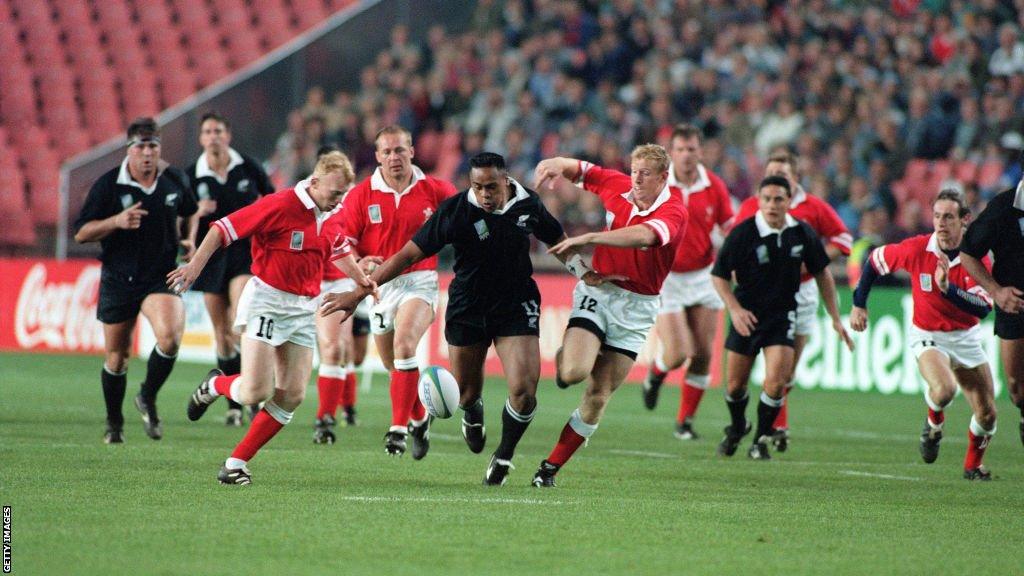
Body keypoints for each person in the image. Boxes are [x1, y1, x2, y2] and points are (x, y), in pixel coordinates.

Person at [323, 152, 611, 484]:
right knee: (465, 392)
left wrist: (583, 272)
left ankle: (503, 456)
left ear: (506, 180)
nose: (485, 194)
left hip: (514, 304)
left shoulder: (528, 204)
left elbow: (557, 240)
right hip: (467, 307)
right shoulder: (456, 210)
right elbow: (408, 254)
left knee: (524, 391)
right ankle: (472, 412)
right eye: (478, 187)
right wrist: (359, 292)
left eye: (491, 186)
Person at [167, 151, 370, 485]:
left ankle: (235, 464)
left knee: (292, 394)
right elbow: (222, 229)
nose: (339, 201)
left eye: (343, 195)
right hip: (267, 302)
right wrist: (193, 268)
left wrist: (362, 280)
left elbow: (338, 249)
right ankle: (215, 384)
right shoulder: (280, 204)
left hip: (304, 307)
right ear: (315, 182)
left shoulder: (332, 212)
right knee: (253, 391)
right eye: (335, 194)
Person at [526, 145, 689, 487]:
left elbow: (645, 236)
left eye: (645, 174)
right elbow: (583, 171)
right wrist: (554, 164)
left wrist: (591, 237)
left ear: (663, 177)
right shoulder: (619, 186)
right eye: (634, 171)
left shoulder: (674, 211)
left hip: (638, 308)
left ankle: (549, 468)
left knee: (598, 396)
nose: (637, 179)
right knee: (573, 373)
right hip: (600, 292)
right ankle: (566, 356)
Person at [851, 190, 997, 480]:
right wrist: (858, 303)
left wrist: (948, 290)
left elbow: (983, 308)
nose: (941, 223)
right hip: (928, 334)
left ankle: (972, 467)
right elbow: (875, 261)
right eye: (937, 216)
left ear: (965, 220)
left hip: (966, 338)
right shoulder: (918, 248)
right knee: (944, 390)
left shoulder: (977, 257)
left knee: (988, 414)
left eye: (949, 217)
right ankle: (933, 423)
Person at [74, 117, 197, 444]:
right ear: (128, 150)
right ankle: (114, 423)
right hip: (119, 278)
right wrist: (116, 220)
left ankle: (147, 395)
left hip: (159, 275)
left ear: (159, 149)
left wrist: (187, 239)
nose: (147, 153)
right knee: (117, 357)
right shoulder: (108, 185)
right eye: (140, 146)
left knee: (170, 338)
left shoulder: (173, 179)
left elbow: (190, 210)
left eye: (152, 146)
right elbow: (82, 232)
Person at [712, 176, 852, 460]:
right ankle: (738, 425)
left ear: (789, 202)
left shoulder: (802, 233)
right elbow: (719, 276)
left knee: (777, 382)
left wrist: (836, 317)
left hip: (782, 316)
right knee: (735, 386)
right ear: (758, 201)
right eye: (767, 199)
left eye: (779, 199)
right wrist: (735, 310)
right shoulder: (744, 233)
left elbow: (822, 273)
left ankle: (759, 439)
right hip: (747, 316)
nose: (772, 205)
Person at [337, 125, 457, 457]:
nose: (394, 157)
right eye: (387, 151)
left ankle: (397, 429)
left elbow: (468, 217)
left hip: (420, 281)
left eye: (400, 150)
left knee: (406, 345)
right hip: (377, 289)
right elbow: (342, 241)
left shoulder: (436, 190)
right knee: (395, 367)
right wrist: (358, 261)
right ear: (377, 156)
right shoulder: (362, 194)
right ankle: (419, 419)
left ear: (412, 152)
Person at [639, 124, 734, 441]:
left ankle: (685, 423)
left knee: (704, 353)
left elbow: (728, 226)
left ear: (700, 152)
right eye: (679, 149)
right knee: (679, 352)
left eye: (691, 149)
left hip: (704, 275)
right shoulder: (661, 187)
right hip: (667, 277)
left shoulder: (713, 185)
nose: (686, 155)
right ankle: (657, 372)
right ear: (671, 153)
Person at [187, 112, 274, 427]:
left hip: (244, 253)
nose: (213, 136)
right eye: (207, 131)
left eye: (218, 130)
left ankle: (253, 390)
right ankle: (234, 402)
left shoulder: (248, 167)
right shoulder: (192, 176)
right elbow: (180, 218)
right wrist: (195, 213)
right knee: (222, 334)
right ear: (201, 138)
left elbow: (273, 201)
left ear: (228, 135)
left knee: (241, 317)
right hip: (210, 257)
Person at [960, 178, 1024, 448]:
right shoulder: (1002, 208)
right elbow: (968, 254)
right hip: (1015, 303)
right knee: (1017, 389)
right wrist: (996, 292)